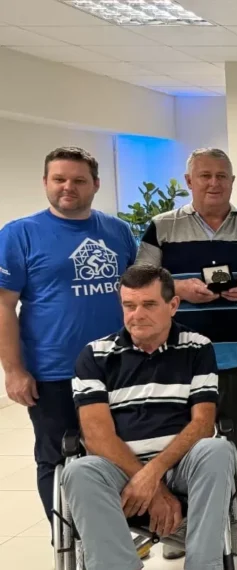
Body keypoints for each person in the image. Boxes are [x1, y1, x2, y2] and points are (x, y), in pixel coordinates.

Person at [136, 147, 237, 554]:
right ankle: (178, 524)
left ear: (233, 182)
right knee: (178, 442)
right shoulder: (161, 228)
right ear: (189, 181)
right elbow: (141, 284)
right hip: (177, 361)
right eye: (205, 176)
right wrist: (178, 289)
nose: (214, 183)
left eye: (222, 176)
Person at [63, 264, 232, 570]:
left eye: (149, 304)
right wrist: (146, 483)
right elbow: (97, 435)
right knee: (79, 471)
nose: (136, 315)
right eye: (129, 305)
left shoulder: (197, 347)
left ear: (173, 305)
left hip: (181, 465)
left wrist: (153, 475)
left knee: (217, 449)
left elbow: (203, 423)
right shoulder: (94, 355)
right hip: (118, 470)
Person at [0, 147, 136, 522]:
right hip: (54, 371)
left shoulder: (119, 231)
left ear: (95, 184)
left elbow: (138, 292)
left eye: (78, 180)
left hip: (119, 366)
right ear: (45, 182)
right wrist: (13, 370)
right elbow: (3, 306)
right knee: (57, 456)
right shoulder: (19, 235)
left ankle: (118, 535)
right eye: (59, 179)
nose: (68, 187)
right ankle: (69, 540)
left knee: (120, 451)